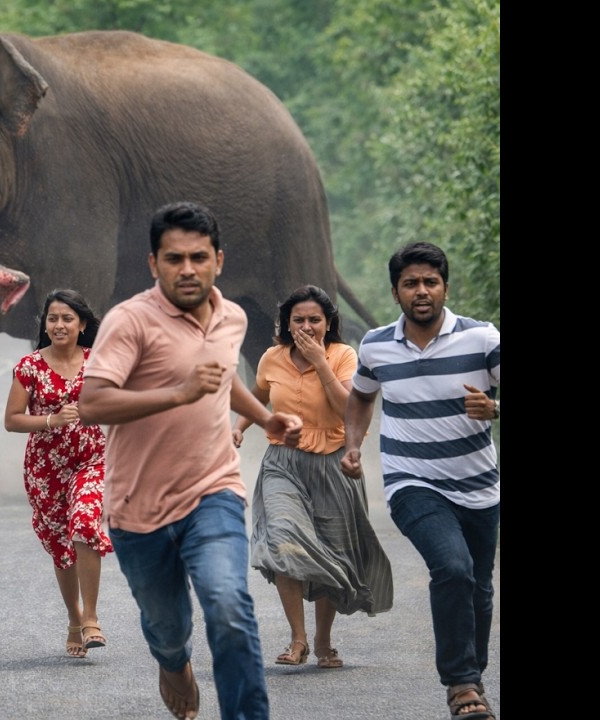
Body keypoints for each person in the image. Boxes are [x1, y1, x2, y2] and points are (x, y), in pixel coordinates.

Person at [78, 201, 302, 720]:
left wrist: (264, 418)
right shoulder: (129, 321)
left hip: (212, 489)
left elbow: (222, 377)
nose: (187, 269)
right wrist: (177, 395)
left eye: (198, 257)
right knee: (167, 628)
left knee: (228, 605)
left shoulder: (232, 316)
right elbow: (92, 403)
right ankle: (173, 662)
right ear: (153, 263)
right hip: (138, 506)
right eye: (173, 258)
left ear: (218, 261)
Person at [341, 242, 499, 720]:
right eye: (411, 283)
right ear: (396, 293)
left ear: (445, 288)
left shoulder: (482, 339)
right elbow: (361, 396)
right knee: (452, 568)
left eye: (431, 281)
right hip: (411, 481)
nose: (422, 290)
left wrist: (494, 408)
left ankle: (471, 674)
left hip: (478, 485)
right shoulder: (376, 345)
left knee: (478, 587)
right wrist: (353, 443)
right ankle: (461, 684)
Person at [232, 285, 393, 671]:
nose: (306, 326)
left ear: (328, 323)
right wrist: (238, 428)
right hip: (282, 464)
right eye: (299, 320)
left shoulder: (343, 356)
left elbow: (349, 410)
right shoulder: (272, 358)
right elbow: (257, 397)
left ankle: (323, 639)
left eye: (314, 320)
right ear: (287, 324)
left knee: (330, 551)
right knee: (282, 538)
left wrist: (321, 363)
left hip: (333, 464)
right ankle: (298, 638)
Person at [3, 289, 114, 659]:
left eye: (68, 318)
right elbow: (12, 420)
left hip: (91, 460)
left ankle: (92, 619)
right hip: (46, 469)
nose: (60, 325)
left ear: (82, 325)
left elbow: (116, 402)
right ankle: (73, 618)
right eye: (53, 318)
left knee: (85, 524)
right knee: (61, 547)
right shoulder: (30, 366)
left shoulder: (97, 361)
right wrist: (51, 420)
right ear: (45, 325)